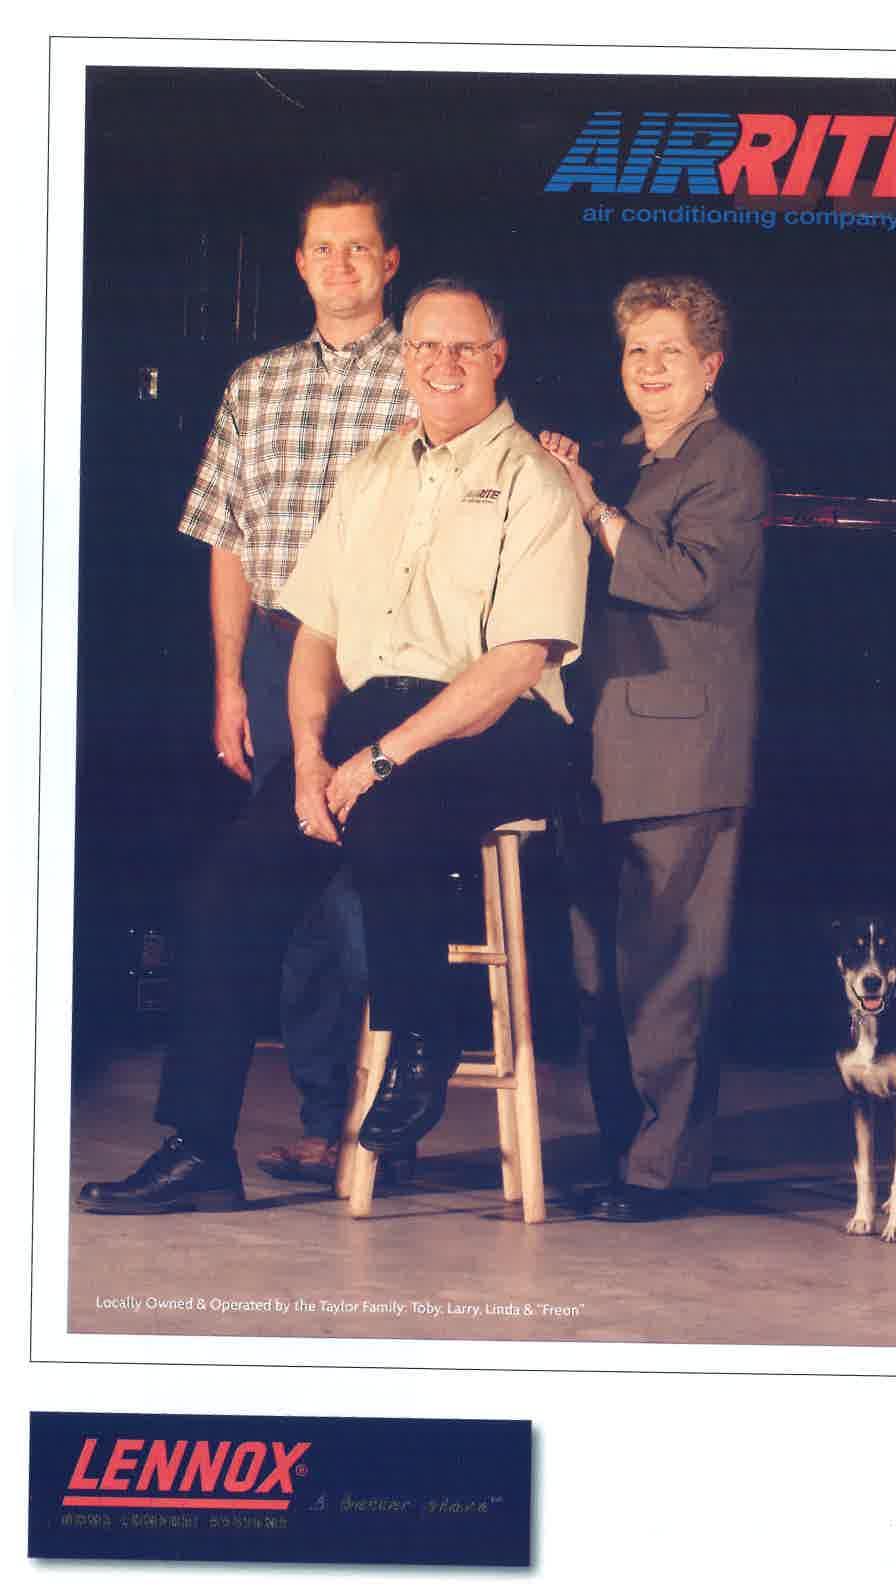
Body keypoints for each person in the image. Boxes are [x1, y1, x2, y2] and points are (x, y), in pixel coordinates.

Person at [79, 278, 589, 1214]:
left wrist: (379, 761)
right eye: (425, 346)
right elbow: (314, 631)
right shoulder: (370, 472)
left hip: (499, 722)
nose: (442, 363)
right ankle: (199, 1147)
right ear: (405, 358)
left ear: (497, 356)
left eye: (464, 347)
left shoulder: (534, 481)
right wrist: (312, 755)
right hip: (370, 714)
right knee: (224, 887)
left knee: (389, 821)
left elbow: (517, 660)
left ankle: (423, 1040)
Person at [176, 177, 414, 1185]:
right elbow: (227, 537)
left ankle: (384, 1132)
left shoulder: (428, 370)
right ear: (300, 263)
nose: (341, 265)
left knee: (368, 893)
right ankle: (324, 1123)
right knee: (300, 898)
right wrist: (231, 679)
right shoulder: (257, 383)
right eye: (324, 248)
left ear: (388, 261)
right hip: (279, 656)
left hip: (386, 660)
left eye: (359, 247)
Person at [539, 273, 768, 1222]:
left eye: (670, 350)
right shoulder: (615, 456)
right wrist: (563, 477)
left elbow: (685, 582)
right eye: (637, 349)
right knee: (600, 979)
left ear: (710, 365)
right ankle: (619, 1158)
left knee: (668, 978)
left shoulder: (729, 460)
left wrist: (593, 508)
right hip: (595, 749)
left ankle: (661, 1174)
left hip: (680, 759)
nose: (650, 367)